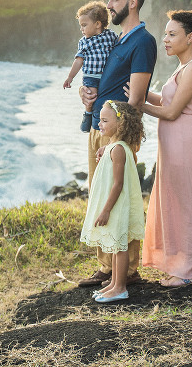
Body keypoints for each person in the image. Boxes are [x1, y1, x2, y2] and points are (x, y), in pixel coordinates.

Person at [76, 0, 157, 288]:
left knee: (118, 198)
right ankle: (105, 267)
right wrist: (84, 92)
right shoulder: (114, 40)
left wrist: (115, 141)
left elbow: (135, 98)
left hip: (117, 136)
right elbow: (97, 78)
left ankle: (128, 272)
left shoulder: (142, 41)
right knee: (98, 197)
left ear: (132, 3)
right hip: (100, 127)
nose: (108, 5)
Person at [138, 10, 192, 287]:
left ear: (190, 37)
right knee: (177, 202)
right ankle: (180, 265)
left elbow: (171, 112)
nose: (165, 39)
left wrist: (138, 104)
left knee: (189, 204)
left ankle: (190, 271)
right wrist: (137, 92)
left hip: (187, 141)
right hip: (175, 143)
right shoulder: (183, 67)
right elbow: (166, 100)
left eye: (172, 34)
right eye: (165, 33)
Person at [80, 100, 146, 303]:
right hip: (113, 204)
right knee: (117, 247)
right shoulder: (115, 147)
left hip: (116, 206)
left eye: (104, 120)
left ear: (121, 124)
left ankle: (120, 287)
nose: (99, 123)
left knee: (120, 247)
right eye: (99, 119)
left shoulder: (118, 149)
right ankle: (114, 284)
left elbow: (117, 185)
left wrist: (106, 210)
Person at [63, 1, 118, 132]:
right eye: (81, 26)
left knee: (102, 104)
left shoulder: (110, 36)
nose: (81, 29)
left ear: (98, 24)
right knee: (91, 99)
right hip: (91, 77)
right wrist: (70, 77)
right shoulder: (84, 42)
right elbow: (78, 61)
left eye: (84, 25)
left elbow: (118, 48)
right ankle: (88, 117)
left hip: (106, 77)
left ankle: (97, 123)